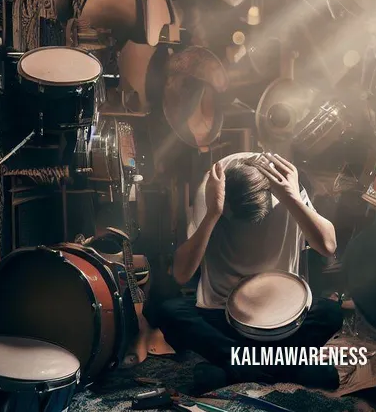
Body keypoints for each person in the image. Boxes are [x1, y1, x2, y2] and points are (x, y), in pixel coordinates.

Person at [145, 152, 343, 390]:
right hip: (222, 314)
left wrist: (293, 199)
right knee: (169, 312)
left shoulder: (286, 186)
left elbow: (328, 246)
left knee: (331, 313)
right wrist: (213, 214)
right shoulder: (212, 188)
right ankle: (284, 368)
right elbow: (181, 274)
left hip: (281, 319)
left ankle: (233, 368)